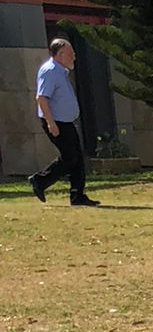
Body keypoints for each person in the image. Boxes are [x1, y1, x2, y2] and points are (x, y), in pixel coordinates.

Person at [30, 37, 99, 207]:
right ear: (61, 54)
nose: (74, 56)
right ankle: (40, 180)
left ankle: (77, 196)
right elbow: (41, 98)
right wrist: (50, 123)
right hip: (56, 122)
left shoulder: (61, 71)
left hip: (66, 122)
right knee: (70, 157)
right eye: (71, 53)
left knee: (77, 158)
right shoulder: (50, 71)